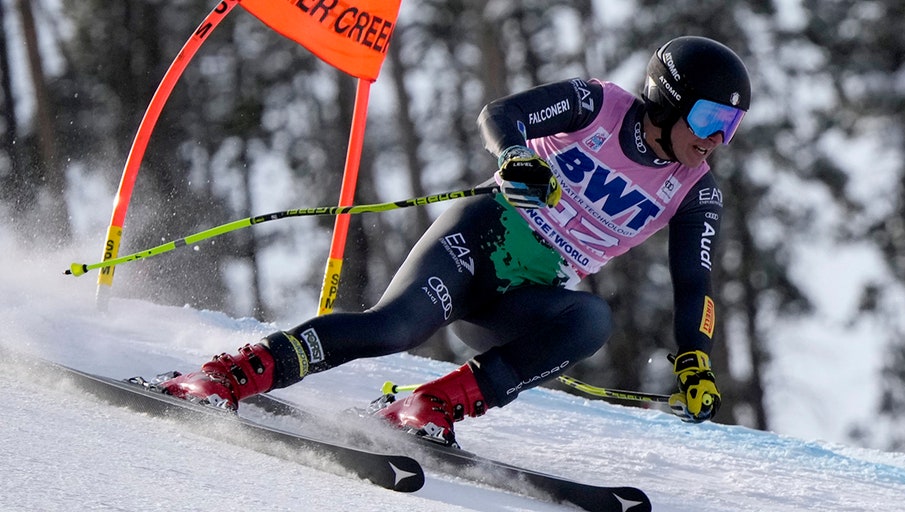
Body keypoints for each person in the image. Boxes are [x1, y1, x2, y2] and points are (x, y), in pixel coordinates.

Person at [157, 35, 751, 446]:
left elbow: (693, 282)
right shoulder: (599, 105)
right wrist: (517, 157)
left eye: (729, 128)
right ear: (666, 99)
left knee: (590, 321)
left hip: (525, 295)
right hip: (480, 238)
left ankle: (431, 405)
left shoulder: (695, 189)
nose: (715, 141)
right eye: (707, 122)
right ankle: (232, 374)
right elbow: (501, 114)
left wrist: (695, 356)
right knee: (392, 329)